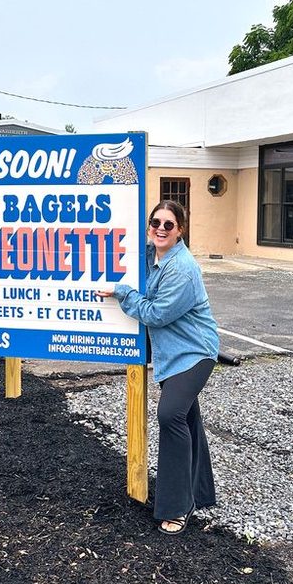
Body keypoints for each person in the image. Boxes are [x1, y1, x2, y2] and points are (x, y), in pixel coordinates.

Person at [98, 200, 219, 535]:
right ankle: (200, 493)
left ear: (180, 230)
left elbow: (156, 314)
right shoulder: (151, 256)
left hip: (194, 353)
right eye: (155, 223)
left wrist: (122, 292)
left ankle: (177, 506)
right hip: (171, 354)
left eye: (168, 224)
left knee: (170, 415)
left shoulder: (181, 268)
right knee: (187, 418)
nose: (160, 229)